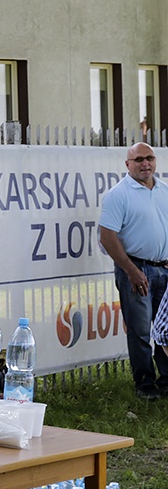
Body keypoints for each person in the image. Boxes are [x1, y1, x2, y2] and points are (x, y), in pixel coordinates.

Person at [99, 142, 168, 401]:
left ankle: (167, 380)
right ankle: (145, 385)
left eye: (149, 158)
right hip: (136, 270)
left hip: (164, 269)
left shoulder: (164, 191)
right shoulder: (118, 195)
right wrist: (130, 270)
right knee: (140, 331)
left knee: (165, 330)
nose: (145, 164)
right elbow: (107, 237)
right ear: (127, 165)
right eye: (139, 159)